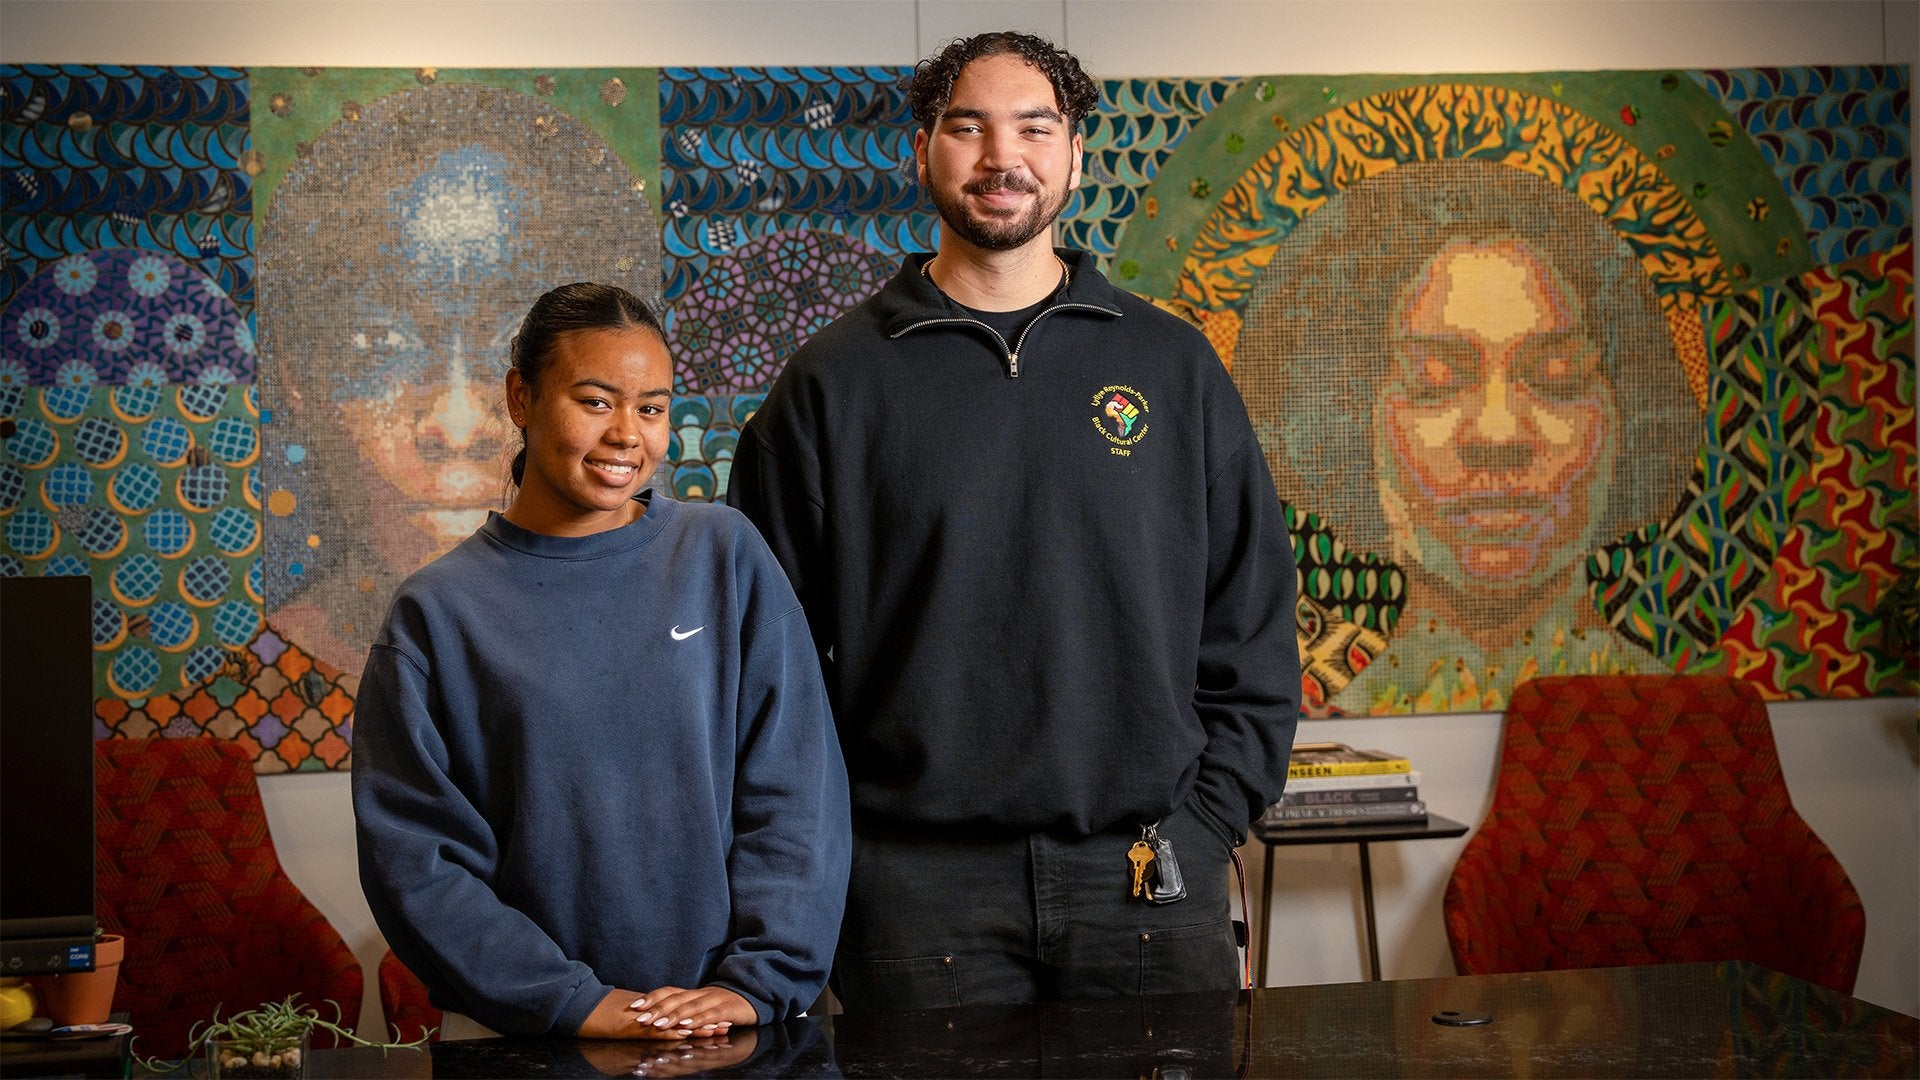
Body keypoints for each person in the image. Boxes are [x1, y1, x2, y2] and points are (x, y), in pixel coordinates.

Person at [726, 32, 1300, 1010]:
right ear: (921, 150)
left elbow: (1250, 620)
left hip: (1150, 869)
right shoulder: (832, 383)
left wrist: (1206, 823)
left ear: (1076, 154)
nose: (1003, 157)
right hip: (914, 894)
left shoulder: (1175, 367)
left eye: (1035, 128)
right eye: (968, 127)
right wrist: (836, 853)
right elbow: (762, 662)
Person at [352, 283, 850, 1039]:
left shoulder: (723, 555)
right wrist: (572, 1001)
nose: (628, 434)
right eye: (594, 401)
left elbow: (797, 790)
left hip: (716, 1021)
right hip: (518, 1029)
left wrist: (761, 980)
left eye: (651, 408)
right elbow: (415, 863)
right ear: (521, 397)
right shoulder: (437, 612)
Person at [1233, 159, 1699, 712]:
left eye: (1556, 377)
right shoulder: (1338, 715)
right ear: (1355, 423)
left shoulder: (1679, 714)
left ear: (1627, 416)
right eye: (1435, 381)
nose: (1497, 434)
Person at [259, 83, 663, 674]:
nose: (455, 426)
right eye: (383, 343)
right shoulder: (423, 619)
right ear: (301, 380)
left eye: (647, 407)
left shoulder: (714, 560)